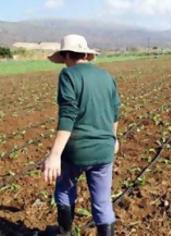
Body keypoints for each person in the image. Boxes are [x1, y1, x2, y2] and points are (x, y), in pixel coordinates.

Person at [43, 34, 120, 236]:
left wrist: (55, 155)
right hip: (104, 149)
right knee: (103, 201)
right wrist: (114, 138)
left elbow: (68, 115)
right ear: (86, 54)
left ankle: (65, 233)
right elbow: (115, 112)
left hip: (77, 150)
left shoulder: (68, 75)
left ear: (66, 55)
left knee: (64, 190)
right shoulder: (107, 77)